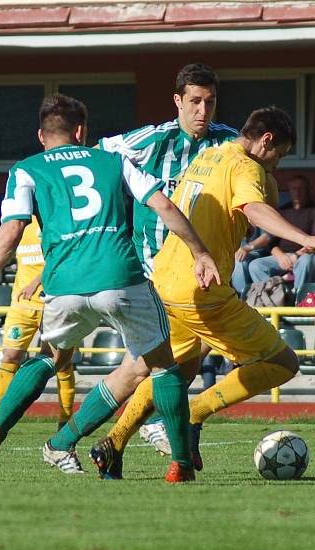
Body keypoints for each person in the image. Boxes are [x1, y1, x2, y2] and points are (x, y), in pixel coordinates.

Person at [0, 93, 220, 483]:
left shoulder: (25, 170)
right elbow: (164, 206)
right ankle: (181, 465)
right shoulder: (114, 160)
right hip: (120, 277)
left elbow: (11, 230)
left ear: (41, 135)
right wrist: (200, 251)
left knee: (46, 358)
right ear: (81, 131)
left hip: (64, 285)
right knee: (163, 367)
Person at [89, 106, 315, 479]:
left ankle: (114, 441)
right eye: (280, 154)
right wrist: (305, 237)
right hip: (203, 291)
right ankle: (194, 414)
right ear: (266, 140)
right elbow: (254, 209)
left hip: (167, 279)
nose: (278, 163)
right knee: (284, 363)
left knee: (173, 372)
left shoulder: (209, 155)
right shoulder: (244, 166)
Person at [99, 63, 238, 455]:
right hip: (153, 271)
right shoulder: (151, 140)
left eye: (210, 102)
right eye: (194, 101)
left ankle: (149, 425)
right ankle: (75, 436)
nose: (203, 111)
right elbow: (99, 156)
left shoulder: (227, 143)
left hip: (201, 272)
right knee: (145, 365)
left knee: (189, 354)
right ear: (178, 101)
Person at [0, 218, 76, 432]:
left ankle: (65, 418)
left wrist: (36, 282)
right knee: (10, 355)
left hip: (53, 302)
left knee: (61, 362)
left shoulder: (57, 218)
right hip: (22, 304)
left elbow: (65, 256)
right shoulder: (18, 223)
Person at [248, 174, 315, 286]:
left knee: (305, 262)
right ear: (289, 191)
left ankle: (298, 298)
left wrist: (297, 255)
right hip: (283, 255)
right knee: (256, 265)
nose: (297, 192)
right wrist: (280, 256)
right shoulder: (282, 211)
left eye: (301, 188)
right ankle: (272, 296)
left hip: (305, 255)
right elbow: (271, 240)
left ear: (308, 190)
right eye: (294, 189)